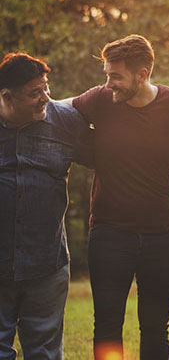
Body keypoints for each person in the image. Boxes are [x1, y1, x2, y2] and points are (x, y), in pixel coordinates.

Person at [70, 34, 169, 360]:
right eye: (107, 75)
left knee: (155, 326)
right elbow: (58, 110)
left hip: (163, 235)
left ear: (142, 74)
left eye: (115, 76)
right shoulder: (100, 100)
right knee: (107, 324)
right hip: (110, 234)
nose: (109, 84)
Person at [0, 53, 92, 359]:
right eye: (34, 93)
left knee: (45, 353)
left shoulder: (65, 122)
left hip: (46, 264)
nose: (45, 98)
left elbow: (111, 153)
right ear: (7, 97)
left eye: (46, 88)